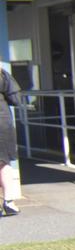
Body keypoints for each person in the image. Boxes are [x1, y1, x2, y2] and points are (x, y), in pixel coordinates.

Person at [0, 61, 21, 217]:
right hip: (2, 122)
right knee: (3, 161)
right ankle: (8, 202)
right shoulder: (2, 74)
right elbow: (15, 99)